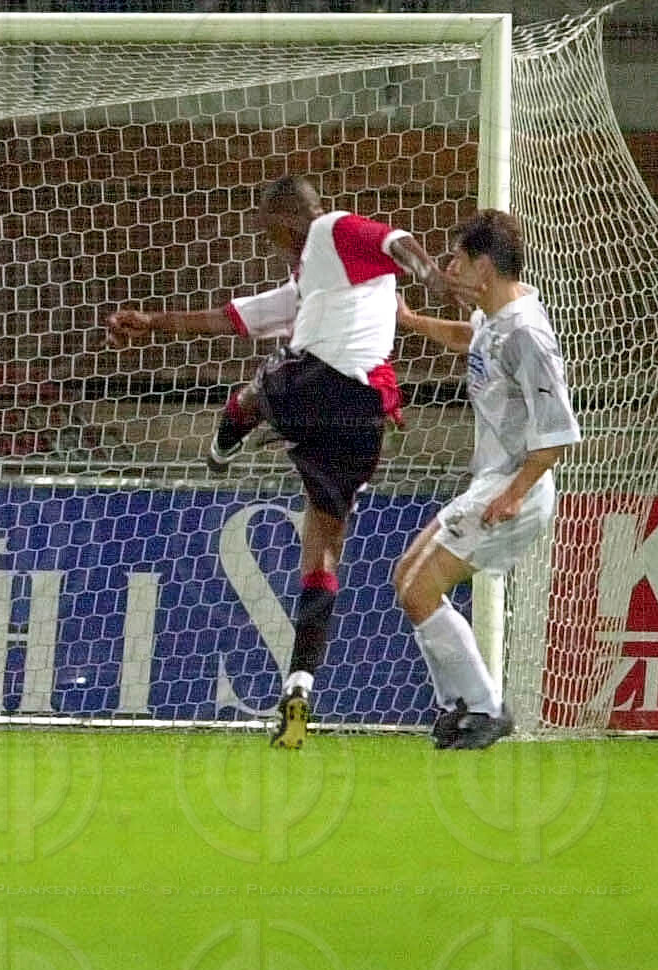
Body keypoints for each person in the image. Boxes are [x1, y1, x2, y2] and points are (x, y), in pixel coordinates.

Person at [107, 174, 471, 748]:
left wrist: (433, 279)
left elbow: (395, 240)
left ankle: (229, 433)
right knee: (323, 545)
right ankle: (299, 688)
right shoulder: (315, 283)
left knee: (268, 380)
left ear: (284, 220)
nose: (269, 239)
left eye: (268, 228)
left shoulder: (329, 229)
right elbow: (233, 318)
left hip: (320, 384)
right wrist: (156, 323)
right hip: (365, 420)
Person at [393, 210, 579, 749]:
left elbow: (558, 433)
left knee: (421, 588)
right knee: (406, 579)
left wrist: (514, 494)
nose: (449, 268)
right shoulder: (496, 318)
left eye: (457, 259)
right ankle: (461, 704)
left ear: (485, 267)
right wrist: (412, 322)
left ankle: (485, 709)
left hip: (517, 485)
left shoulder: (527, 334)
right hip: (493, 481)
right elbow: (470, 338)